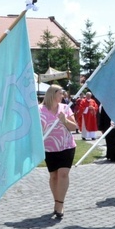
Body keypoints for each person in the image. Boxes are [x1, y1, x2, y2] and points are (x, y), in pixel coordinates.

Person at [39, 84, 78, 219]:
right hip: (49, 148)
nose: (63, 96)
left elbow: (74, 127)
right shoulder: (40, 110)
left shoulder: (65, 108)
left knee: (63, 174)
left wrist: (65, 120)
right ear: (53, 94)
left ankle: (60, 205)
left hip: (66, 145)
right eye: (61, 93)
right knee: (54, 176)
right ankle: (56, 201)